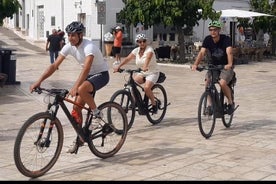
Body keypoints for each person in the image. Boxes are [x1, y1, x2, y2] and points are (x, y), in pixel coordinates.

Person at [30, 21, 110, 153]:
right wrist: (39, 81)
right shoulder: (69, 46)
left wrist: (75, 86)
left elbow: (87, 68)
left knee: (81, 89)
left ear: (80, 35)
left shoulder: (89, 47)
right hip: (88, 76)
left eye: (73, 35)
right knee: (76, 109)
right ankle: (80, 138)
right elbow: (54, 66)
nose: (70, 38)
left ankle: (97, 114)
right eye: (69, 35)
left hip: (101, 74)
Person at [191, 20, 235, 115]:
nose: (212, 32)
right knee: (207, 83)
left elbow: (229, 52)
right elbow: (202, 52)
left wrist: (230, 64)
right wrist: (195, 64)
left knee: (222, 83)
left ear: (219, 30)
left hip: (225, 66)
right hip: (213, 66)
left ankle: (231, 103)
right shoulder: (207, 39)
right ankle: (210, 106)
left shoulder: (225, 39)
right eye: (211, 30)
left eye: (215, 30)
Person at [113, 33, 160, 113]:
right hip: (142, 72)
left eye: (144, 41)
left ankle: (154, 104)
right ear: (137, 42)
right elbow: (128, 58)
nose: (142, 43)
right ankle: (135, 101)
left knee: (146, 88)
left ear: (146, 41)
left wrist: (145, 66)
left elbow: (148, 58)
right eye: (139, 41)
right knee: (132, 84)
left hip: (152, 72)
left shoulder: (149, 50)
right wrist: (119, 66)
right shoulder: (136, 50)